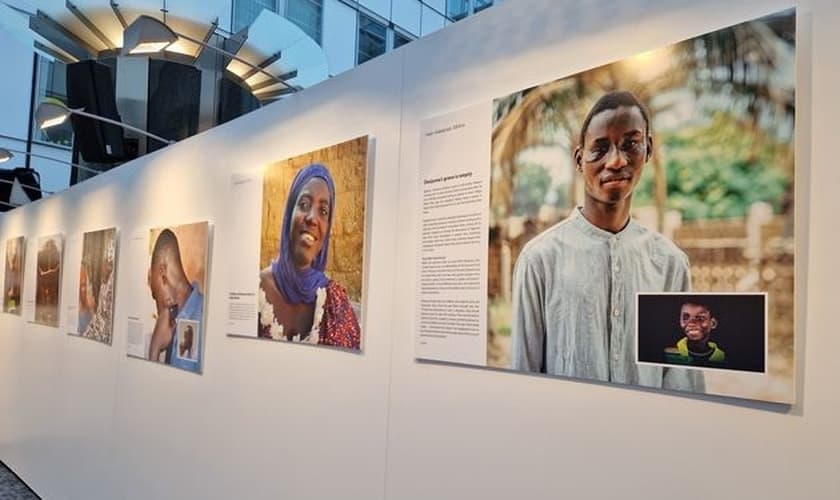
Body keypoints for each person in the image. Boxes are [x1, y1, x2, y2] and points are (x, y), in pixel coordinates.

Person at [510, 90, 704, 392]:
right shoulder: (540, 259)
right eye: (600, 149)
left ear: (648, 150)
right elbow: (524, 376)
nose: (615, 161)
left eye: (631, 144)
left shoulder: (669, 263)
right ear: (579, 159)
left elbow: (682, 381)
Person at [258, 163, 361, 350]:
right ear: (289, 213)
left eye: (323, 211)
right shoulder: (255, 290)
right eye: (304, 204)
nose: (312, 218)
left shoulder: (337, 304)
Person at [147, 229, 203, 373]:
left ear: (162, 273)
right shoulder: (175, 322)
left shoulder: (204, 317)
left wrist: (155, 347)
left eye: (155, 294)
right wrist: (155, 348)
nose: (156, 305)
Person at [664, 299, 725, 366]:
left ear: (713, 323)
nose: (691, 323)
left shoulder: (722, 357)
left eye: (700, 318)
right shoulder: (670, 352)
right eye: (685, 318)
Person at [81, 235, 116, 344]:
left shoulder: (108, 285)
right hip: (89, 317)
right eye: (106, 262)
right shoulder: (104, 285)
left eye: (109, 264)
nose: (105, 267)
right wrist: (90, 308)